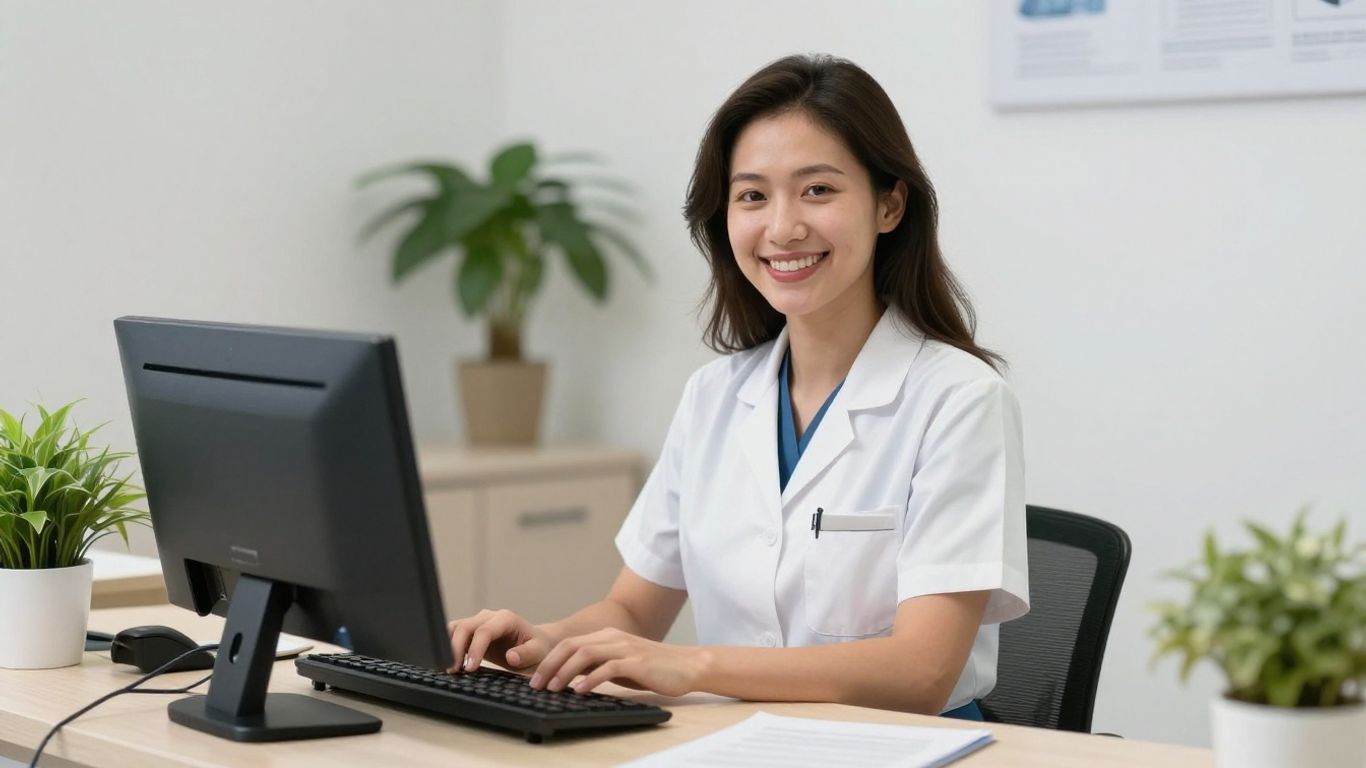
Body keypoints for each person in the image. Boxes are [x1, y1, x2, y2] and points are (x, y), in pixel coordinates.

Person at [447, 53, 1028, 720]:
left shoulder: (958, 399)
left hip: (902, 748)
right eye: (752, 195)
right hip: (738, 742)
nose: (782, 228)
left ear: (889, 205)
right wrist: (542, 642)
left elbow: (921, 671)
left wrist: (691, 665)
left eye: (818, 190)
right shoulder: (714, 395)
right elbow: (636, 607)